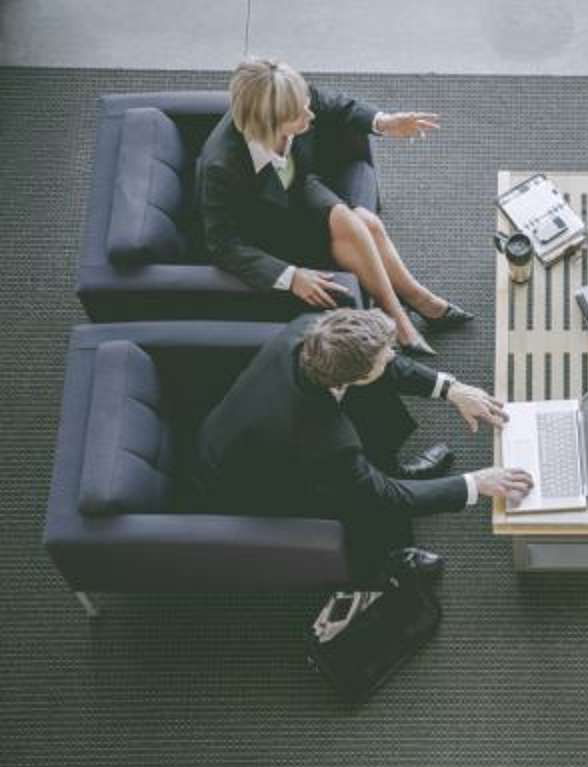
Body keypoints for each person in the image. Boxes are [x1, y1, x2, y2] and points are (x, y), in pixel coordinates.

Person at [195, 309, 533, 581]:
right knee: (367, 500)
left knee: (374, 397)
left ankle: (391, 467)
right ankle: (383, 560)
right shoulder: (325, 439)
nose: (393, 355)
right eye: (385, 357)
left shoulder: (315, 333)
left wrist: (451, 389)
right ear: (353, 377)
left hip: (240, 431)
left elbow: (383, 365)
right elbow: (385, 496)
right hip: (255, 487)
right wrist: (476, 483)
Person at [196, 57, 470, 356]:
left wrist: (385, 123)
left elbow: (337, 105)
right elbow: (223, 244)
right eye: (299, 114)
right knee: (361, 222)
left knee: (365, 221)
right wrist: (290, 277)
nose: (310, 114)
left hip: (299, 190)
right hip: (269, 230)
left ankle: (412, 303)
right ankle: (407, 313)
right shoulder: (221, 166)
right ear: (268, 123)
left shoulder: (292, 100)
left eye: (306, 104)